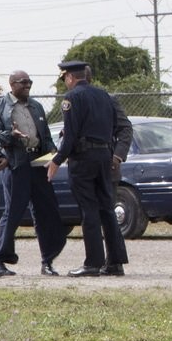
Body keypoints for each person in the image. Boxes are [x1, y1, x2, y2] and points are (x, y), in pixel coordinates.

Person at [47, 59, 128, 276]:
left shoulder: (72, 97)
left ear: (70, 77)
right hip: (105, 155)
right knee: (106, 208)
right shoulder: (103, 95)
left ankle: (92, 263)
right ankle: (115, 262)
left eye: (65, 78)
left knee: (89, 209)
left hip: (83, 159)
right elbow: (111, 125)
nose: (65, 83)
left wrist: (57, 160)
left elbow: (71, 134)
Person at [0, 70, 69, 277]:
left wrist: (53, 156)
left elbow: (45, 136)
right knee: (12, 211)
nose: (27, 86)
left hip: (38, 163)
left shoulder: (36, 106)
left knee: (45, 211)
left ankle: (47, 261)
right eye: (23, 82)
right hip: (16, 163)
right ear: (12, 84)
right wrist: (11, 136)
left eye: (30, 82)